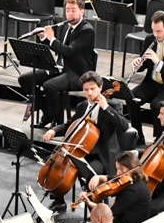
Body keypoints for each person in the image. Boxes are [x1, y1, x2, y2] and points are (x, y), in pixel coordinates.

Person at [41, 71, 130, 211]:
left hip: (101, 155)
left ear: (100, 87)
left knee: (91, 174)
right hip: (82, 151)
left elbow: (125, 126)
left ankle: (97, 211)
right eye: (86, 89)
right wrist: (54, 130)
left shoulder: (112, 106)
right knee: (57, 166)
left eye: (92, 89)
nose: (89, 93)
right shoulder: (82, 106)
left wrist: (105, 107)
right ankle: (59, 201)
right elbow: (70, 125)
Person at [18, 0, 96, 128]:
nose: (70, 13)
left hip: (78, 73)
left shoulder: (86, 30)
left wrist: (52, 38)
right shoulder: (66, 26)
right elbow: (58, 47)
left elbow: (69, 51)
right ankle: (46, 111)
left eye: (73, 10)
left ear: (82, 11)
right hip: (61, 68)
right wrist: (44, 38)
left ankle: (56, 122)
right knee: (25, 79)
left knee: (50, 86)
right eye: (67, 10)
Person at [126, 11, 164, 142]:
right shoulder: (150, 39)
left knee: (157, 105)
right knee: (131, 98)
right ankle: (138, 136)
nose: (156, 35)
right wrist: (137, 64)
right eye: (154, 31)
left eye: (159, 31)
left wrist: (158, 63)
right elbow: (144, 64)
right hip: (151, 82)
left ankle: (158, 139)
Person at [80, 151, 151, 223]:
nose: (118, 173)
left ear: (132, 168)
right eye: (117, 169)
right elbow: (112, 178)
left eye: (121, 169)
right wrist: (99, 177)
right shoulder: (131, 179)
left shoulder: (133, 191)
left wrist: (89, 202)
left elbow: (109, 214)